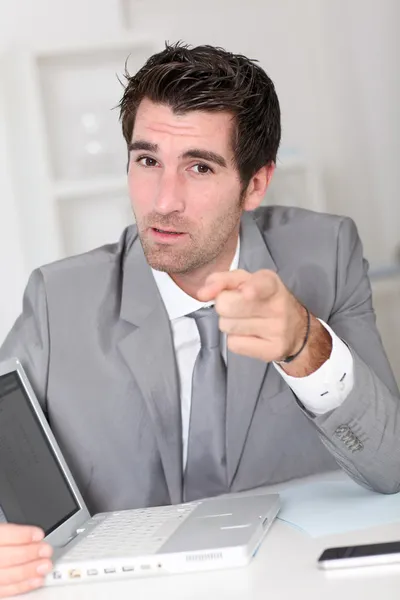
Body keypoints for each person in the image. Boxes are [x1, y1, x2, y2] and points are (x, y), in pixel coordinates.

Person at [0, 41, 399, 597]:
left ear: (255, 184)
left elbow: (391, 464)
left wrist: (304, 343)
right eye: (147, 161)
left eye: (199, 167)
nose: (164, 200)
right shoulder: (57, 299)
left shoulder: (324, 255)